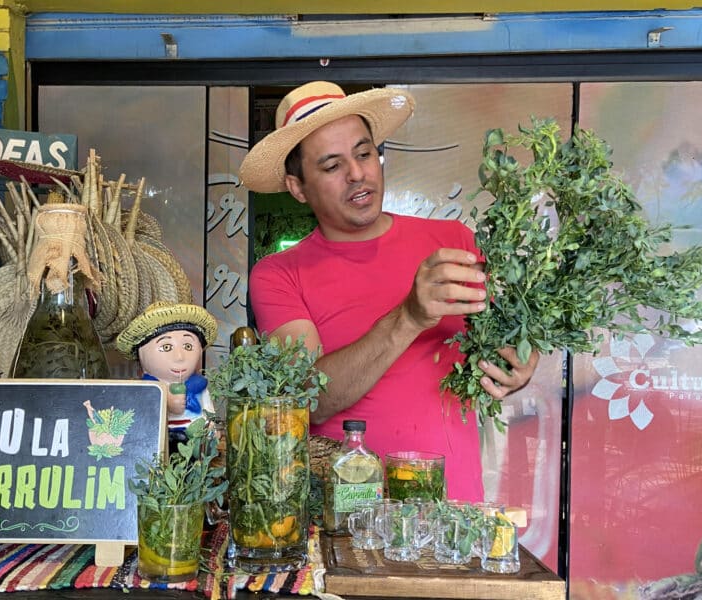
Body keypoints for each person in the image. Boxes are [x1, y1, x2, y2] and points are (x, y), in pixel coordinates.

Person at [239, 81, 539, 501]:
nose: (357, 173)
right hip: (345, 511)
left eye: (364, 154)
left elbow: (507, 339)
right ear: (298, 187)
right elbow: (307, 399)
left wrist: (521, 364)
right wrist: (409, 317)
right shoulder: (278, 274)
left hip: (454, 506)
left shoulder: (452, 240)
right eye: (331, 166)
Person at [116, 301, 219, 453]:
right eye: (166, 347)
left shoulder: (200, 388)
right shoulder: (145, 390)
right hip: (158, 443)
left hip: (195, 442)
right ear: (141, 354)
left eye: (188, 346)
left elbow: (208, 412)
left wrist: (210, 429)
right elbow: (138, 420)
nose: (179, 356)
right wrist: (164, 402)